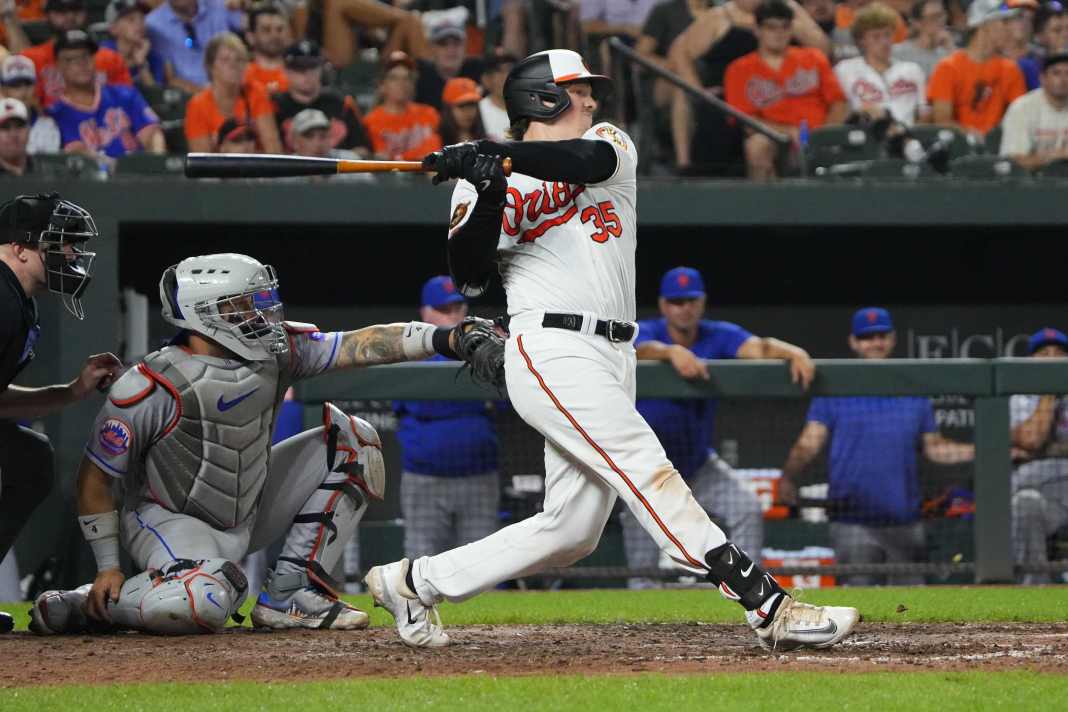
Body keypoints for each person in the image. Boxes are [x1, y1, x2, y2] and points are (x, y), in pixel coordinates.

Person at [364, 48, 859, 652]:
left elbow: (585, 160)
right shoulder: (481, 180)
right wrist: (489, 189)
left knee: (571, 530)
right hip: (551, 347)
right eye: (577, 89)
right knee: (642, 462)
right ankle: (766, 605)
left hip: (614, 351)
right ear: (541, 97)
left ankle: (414, 581)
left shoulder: (605, 141)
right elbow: (469, 277)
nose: (592, 98)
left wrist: (499, 154)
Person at [28, 252, 496, 636]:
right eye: (244, 305)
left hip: (249, 504)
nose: (264, 314)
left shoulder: (279, 352)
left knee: (357, 440)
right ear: (205, 312)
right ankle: (91, 605)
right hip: (170, 520)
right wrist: (108, 565)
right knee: (204, 602)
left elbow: (364, 343)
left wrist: (447, 338)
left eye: (263, 301)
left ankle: (290, 593)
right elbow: (94, 479)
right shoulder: (150, 383)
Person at [621, 267, 815, 589]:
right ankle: (642, 616)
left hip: (698, 465)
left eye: (691, 300)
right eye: (676, 301)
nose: (684, 307)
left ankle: (750, 593)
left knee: (747, 509)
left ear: (702, 303)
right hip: (648, 471)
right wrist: (670, 352)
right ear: (664, 305)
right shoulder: (648, 332)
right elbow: (631, 349)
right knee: (641, 560)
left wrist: (793, 352)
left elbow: (759, 348)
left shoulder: (718, 334)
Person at [780, 307, 974, 586]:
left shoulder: (912, 391)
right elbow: (809, 443)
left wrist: (987, 450)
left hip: (905, 521)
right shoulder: (835, 387)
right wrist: (788, 477)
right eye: (867, 337)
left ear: (893, 339)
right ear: (854, 342)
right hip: (853, 522)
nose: (875, 343)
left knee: (913, 612)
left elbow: (934, 448)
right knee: (860, 604)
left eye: (881, 336)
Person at [0, 193, 120, 634]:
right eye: (60, 243)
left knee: (30, 458)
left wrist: (73, 391)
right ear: (19, 248)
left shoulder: (16, 298)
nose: (70, 254)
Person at [393, 276, 500, 561]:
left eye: (457, 308)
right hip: (425, 477)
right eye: (444, 309)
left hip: (479, 474)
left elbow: (504, 404)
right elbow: (420, 405)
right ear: (425, 312)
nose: (454, 316)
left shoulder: (487, 346)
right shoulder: (408, 348)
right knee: (421, 562)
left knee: (483, 564)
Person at [669, 0, 829, 175]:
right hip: (730, 95)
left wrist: (788, 25)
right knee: (686, 95)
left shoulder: (787, 9)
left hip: (778, 92)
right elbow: (680, 51)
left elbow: (824, 48)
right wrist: (698, 91)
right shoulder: (719, 17)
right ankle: (685, 164)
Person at [724, 0, 849, 180]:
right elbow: (746, 121)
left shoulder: (813, 58)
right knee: (756, 145)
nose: (779, 33)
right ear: (757, 30)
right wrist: (787, 132)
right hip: (774, 139)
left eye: (785, 27)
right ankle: (765, 205)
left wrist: (823, 135)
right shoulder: (739, 69)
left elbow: (839, 102)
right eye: (771, 27)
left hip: (817, 134)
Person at [49, 30, 165, 162]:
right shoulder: (57, 114)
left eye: (85, 56)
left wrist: (157, 162)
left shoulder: (125, 94)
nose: (81, 64)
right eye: (71, 60)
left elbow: (152, 134)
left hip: (139, 173)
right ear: (58, 66)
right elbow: (78, 153)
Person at [1010, 327, 1068, 585]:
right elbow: (1032, 439)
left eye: (1059, 353)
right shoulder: (1019, 397)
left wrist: (1047, 450)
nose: (1053, 358)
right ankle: (1035, 590)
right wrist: (1050, 390)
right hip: (1041, 493)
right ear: (1031, 361)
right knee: (1025, 502)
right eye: (1045, 353)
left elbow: (1033, 447)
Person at [927, 0, 1027, 138]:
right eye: (1004, 22)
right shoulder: (948, 67)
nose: (1010, 29)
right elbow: (942, 121)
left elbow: (1020, 118)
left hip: (998, 149)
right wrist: (972, 136)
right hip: (959, 151)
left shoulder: (1011, 69)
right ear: (985, 25)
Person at [21, 0, 132, 108]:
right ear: (47, 15)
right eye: (61, 11)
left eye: (75, 9)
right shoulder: (31, 59)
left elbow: (129, 102)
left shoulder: (110, 58)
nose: (70, 17)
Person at [183, 32, 282, 153]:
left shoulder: (256, 92)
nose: (233, 65)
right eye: (225, 60)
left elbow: (273, 149)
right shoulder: (198, 105)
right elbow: (202, 159)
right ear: (210, 66)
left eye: (239, 59)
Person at [835, 2, 928, 126]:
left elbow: (924, 114)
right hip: (865, 138)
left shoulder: (912, 70)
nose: (884, 42)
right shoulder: (845, 70)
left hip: (906, 136)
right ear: (862, 40)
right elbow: (838, 113)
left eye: (887, 35)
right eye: (876, 37)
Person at [272, 40, 369, 155]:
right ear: (286, 71)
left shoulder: (341, 103)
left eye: (312, 67)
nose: (307, 74)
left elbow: (363, 149)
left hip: (338, 170)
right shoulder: (276, 106)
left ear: (321, 68)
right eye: (299, 69)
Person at [145, 0, 244, 93]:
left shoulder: (220, 5)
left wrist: (244, 4)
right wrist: (208, 96)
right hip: (190, 95)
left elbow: (252, 28)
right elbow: (170, 78)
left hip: (234, 84)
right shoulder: (153, 25)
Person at [363, 51, 441, 161]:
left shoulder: (429, 113)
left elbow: (437, 152)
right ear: (382, 86)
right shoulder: (371, 121)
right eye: (394, 78)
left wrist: (402, 157)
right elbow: (382, 161)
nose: (402, 83)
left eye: (407, 78)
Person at [1000, 52, 1068, 169]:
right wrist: (1059, 155)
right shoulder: (1022, 108)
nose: (1064, 79)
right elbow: (1014, 161)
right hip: (1029, 182)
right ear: (1042, 78)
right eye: (1056, 73)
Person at [319, 0, 430, 69]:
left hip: (386, 57)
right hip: (343, 58)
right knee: (337, 2)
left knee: (412, 20)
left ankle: (433, 79)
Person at [414, 7, 482, 111]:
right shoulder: (420, 74)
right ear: (432, 48)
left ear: (465, 46)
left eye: (456, 43)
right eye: (443, 44)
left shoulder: (479, 70)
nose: (451, 49)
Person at [101, 0, 167, 90]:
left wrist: (142, 64)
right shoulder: (102, 53)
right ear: (113, 29)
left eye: (142, 18)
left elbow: (156, 97)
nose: (139, 23)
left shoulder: (153, 56)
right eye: (131, 19)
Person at [0, 54, 59, 153]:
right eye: (16, 85)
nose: (23, 91)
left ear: (35, 87)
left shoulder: (48, 125)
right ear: (3, 89)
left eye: (28, 84)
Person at [892, 0, 955, 80]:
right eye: (934, 17)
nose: (940, 21)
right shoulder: (898, 52)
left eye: (942, 15)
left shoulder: (949, 53)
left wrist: (950, 47)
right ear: (917, 23)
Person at [244, 2, 290, 95]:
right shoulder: (241, 75)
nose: (274, 35)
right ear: (250, 37)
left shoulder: (300, 73)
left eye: (280, 29)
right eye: (266, 29)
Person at [477, 50, 515, 141]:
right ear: (486, 79)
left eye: (511, 70)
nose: (506, 76)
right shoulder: (478, 111)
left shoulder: (530, 110)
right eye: (500, 71)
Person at [439, 77, 484, 145]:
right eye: (461, 106)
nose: (468, 112)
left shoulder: (485, 140)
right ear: (448, 110)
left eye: (471, 105)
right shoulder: (435, 142)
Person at [0, 96, 32, 174]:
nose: (13, 134)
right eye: (5, 128)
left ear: (29, 130)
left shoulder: (45, 170)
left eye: (19, 126)